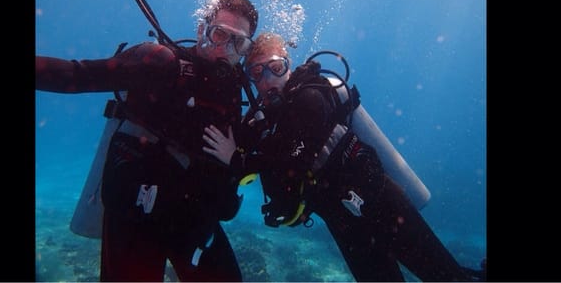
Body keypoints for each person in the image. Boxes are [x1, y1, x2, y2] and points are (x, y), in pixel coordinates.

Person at [202, 32, 486, 281]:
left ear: (288, 65)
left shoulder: (311, 97)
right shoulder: (265, 120)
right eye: (257, 72)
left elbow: (294, 162)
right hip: (344, 222)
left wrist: (237, 160)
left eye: (275, 67)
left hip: (383, 205)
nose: (267, 80)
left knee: (447, 277)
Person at [36, 0, 258, 282]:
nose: (226, 49)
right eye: (219, 34)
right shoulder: (158, 62)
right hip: (135, 217)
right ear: (202, 30)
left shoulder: (235, 92)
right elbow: (77, 75)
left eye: (238, 42)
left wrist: (236, 159)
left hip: (194, 218)